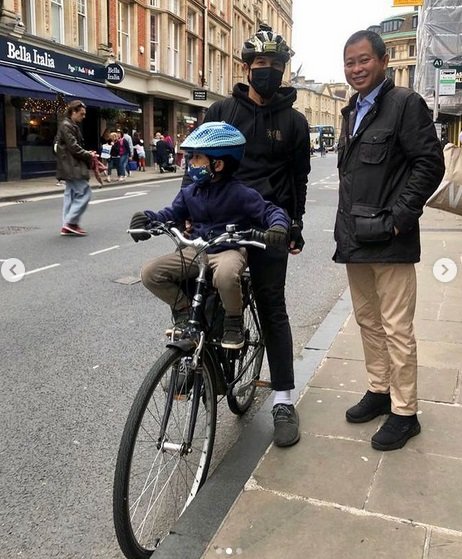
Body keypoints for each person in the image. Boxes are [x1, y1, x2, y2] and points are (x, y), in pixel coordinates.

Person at [182, 24, 310, 447]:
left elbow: (298, 179)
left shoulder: (294, 122)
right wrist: (185, 208)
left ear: (283, 70)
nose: (268, 72)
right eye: (261, 65)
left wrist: (294, 225)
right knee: (200, 288)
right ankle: (201, 367)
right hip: (220, 224)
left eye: (276, 65)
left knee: (273, 309)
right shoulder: (222, 111)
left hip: (268, 229)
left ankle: (284, 399)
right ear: (246, 67)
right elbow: (196, 164)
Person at [334, 30, 445, 451]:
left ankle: (405, 411)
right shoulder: (351, 111)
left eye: (363, 60)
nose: (356, 69)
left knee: (397, 327)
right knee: (367, 320)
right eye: (349, 62)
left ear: (383, 62)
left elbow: (429, 164)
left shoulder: (404, 104)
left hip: (390, 238)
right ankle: (379, 390)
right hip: (357, 237)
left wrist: (400, 218)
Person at [129, 121, 289, 349]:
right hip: (197, 249)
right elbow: (171, 213)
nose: (190, 163)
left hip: (228, 249)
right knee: (150, 273)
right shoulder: (189, 193)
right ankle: (184, 312)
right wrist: (148, 219)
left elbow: (270, 211)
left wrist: (278, 226)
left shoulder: (240, 193)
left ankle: (233, 321)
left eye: (196, 158)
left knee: (225, 275)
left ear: (219, 164)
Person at [55, 100, 95, 237]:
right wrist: (88, 154)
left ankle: (66, 226)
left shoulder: (69, 125)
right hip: (72, 167)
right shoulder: (67, 125)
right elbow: (73, 147)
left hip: (68, 166)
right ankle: (70, 223)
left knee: (70, 195)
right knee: (85, 192)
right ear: (73, 112)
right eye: (81, 114)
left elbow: (59, 147)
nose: (83, 117)